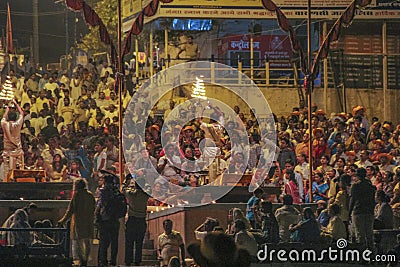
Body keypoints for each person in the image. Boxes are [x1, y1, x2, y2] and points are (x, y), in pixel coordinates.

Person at [58, 179, 95, 267]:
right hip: (89, 221)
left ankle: (81, 260)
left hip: (78, 222)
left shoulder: (77, 196)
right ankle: (86, 259)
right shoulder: (90, 195)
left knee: (78, 242)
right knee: (87, 242)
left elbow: (70, 210)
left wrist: (62, 221)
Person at [123, 176, 150, 266]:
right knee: (139, 243)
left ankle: (128, 261)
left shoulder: (131, 193)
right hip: (141, 220)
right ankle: (137, 261)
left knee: (129, 243)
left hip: (132, 220)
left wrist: (125, 181)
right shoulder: (145, 194)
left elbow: (123, 188)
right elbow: (150, 188)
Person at [95, 174, 120, 267]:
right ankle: (113, 261)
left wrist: (96, 217)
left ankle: (103, 261)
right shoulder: (116, 191)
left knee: (104, 242)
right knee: (114, 242)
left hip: (105, 220)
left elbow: (100, 205)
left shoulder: (103, 191)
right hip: (115, 219)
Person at [349, 168, 376, 248]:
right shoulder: (370, 185)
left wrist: (349, 213)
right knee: (369, 234)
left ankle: (362, 253)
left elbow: (352, 199)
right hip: (369, 211)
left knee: (360, 234)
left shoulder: (355, 185)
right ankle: (372, 254)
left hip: (358, 211)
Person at [1, 99, 24, 178]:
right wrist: (16, 104)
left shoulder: (4, 124)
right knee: (19, 173)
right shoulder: (18, 124)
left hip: (7, 152)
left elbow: (4, 117)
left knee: (7, 173)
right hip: (17, 151)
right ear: (16, 118)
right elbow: (22, 113)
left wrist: (8, 108)